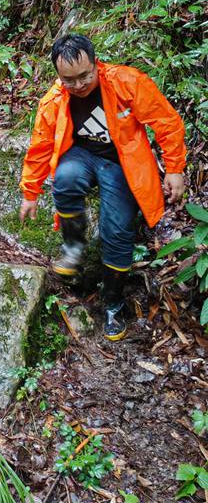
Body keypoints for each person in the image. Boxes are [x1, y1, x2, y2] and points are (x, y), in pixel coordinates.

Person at [19, 34, 186, 341]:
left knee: (116, 231)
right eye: (69, 80)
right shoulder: (55, 99)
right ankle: (73, 247)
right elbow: (41, 146)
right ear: (58, 76)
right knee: (65, 178)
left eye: (85, 76)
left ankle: (113, 303)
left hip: (120, 162)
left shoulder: (126, 82)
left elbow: (166, 121)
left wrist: (174, 168)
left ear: (96, 64)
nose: (79, 85)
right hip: (81, 156)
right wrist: (30, 193)